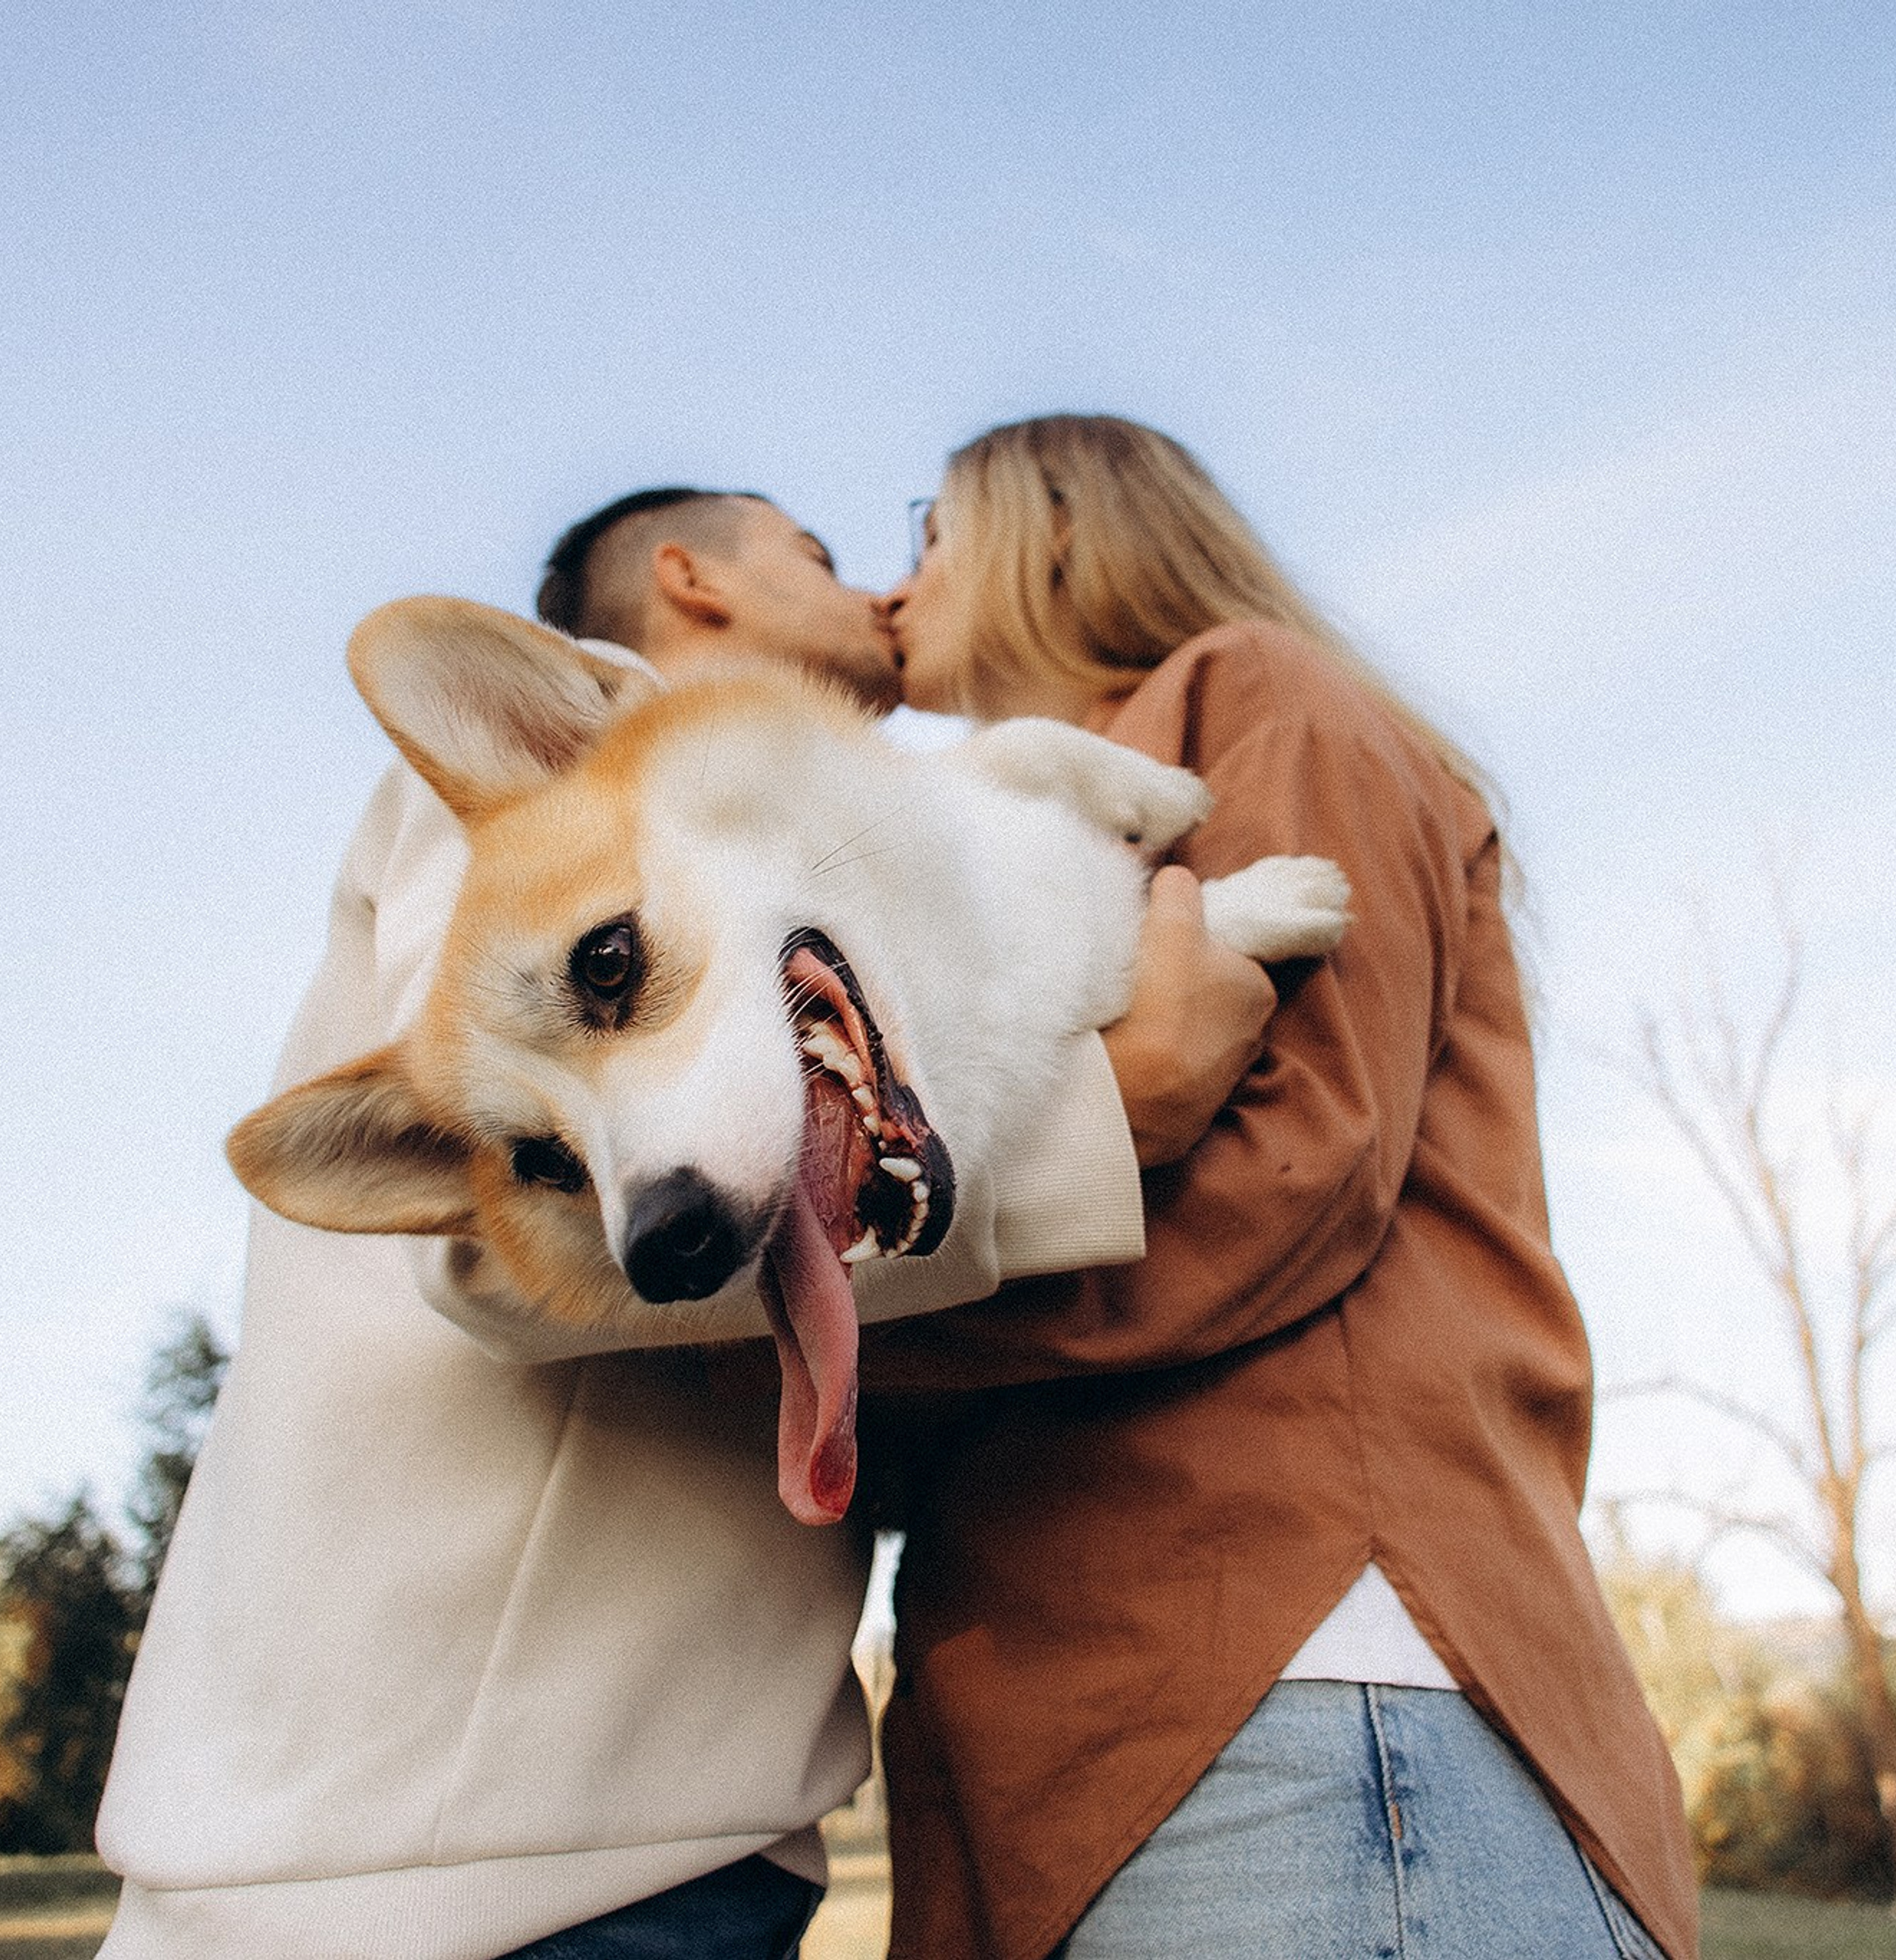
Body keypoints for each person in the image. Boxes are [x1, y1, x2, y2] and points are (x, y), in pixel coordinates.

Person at [96, 484, 1267, 1960]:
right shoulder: (581, 768)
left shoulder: (807, 889)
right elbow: (483, 1264)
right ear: (691, 582)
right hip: (457, 1864)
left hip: (605, 1835)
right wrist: (1115, 1118)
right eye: (823, 556)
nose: (883, 595)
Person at [859, 415, 1697, 1960]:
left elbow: (1285, 1173)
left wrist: (804, 1327)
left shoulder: (1248, 692)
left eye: (931, 531)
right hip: (1071, 1719)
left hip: (1299, 1669)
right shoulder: (986, 837)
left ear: (1058, 524)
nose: (892, 587)